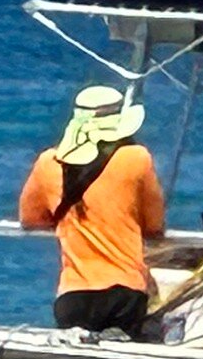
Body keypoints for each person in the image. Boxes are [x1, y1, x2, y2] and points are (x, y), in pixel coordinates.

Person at [19, 85, 166, 335]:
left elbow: (30, 218)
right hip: (125, 291)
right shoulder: (136, 158)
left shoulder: (49, 162)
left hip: (73, 295)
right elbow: (154, 225)